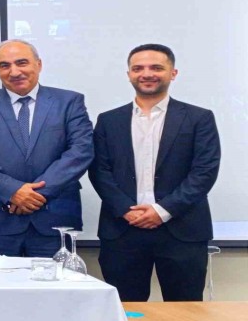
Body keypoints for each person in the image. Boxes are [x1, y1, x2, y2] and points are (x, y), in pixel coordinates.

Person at [89, 44, 220, 301]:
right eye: (138, 68)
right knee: (125, 310)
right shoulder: (108, 120)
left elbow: (204, 171)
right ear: (129, 74)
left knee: (185, 311)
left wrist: (161, 211)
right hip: (123, 230)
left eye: (156, 68)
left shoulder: (199, 118)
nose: (147, 74)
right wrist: (126, 210)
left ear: (173, 73)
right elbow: (99, 171)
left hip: (182, 230)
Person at [0, 39, 94, 258]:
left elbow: (80, 151)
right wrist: (13, 191)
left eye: (22, 63)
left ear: (38, 64)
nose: (14, 72)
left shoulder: (69, 102)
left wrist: (35, 195)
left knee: (56, 280)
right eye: (5, 65)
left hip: (55, 218)